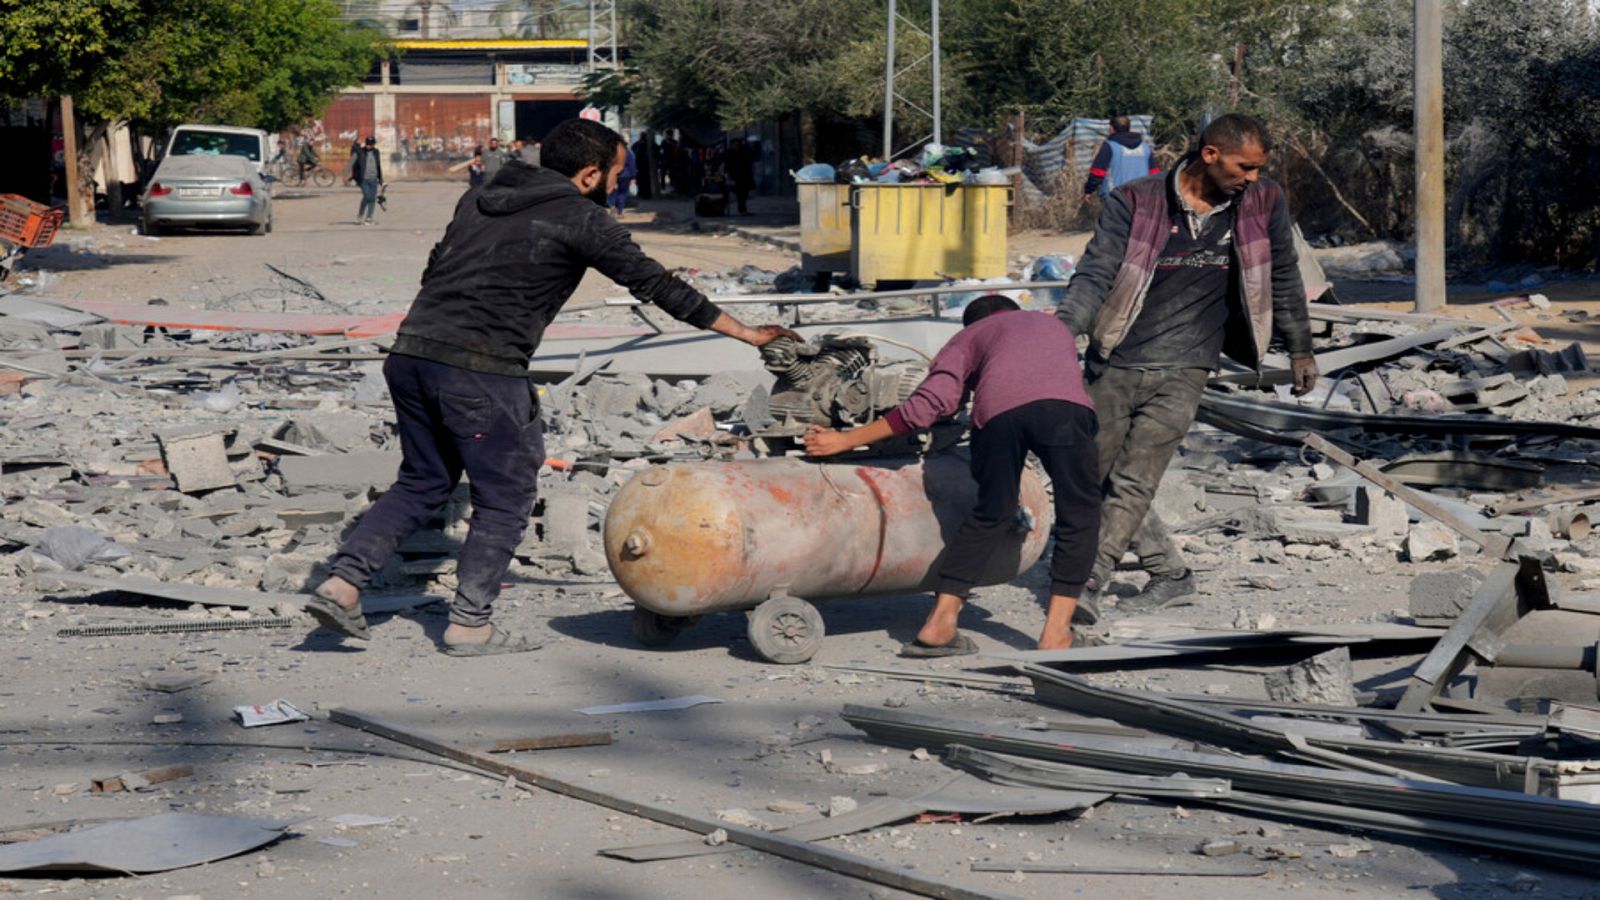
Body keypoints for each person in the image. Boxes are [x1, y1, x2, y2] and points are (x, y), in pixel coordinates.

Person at [307, 118, 801, 656]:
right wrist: (747, 332)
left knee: (423, 480)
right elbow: (656, 284)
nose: (619, 182)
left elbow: (436, 270)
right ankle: (470, 626)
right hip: (483, 369)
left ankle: (342, 582)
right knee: (506, 496)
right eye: (616, 173)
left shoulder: (479, 199)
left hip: (411, 355)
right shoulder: (582, 218)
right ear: (589, 174)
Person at [1056, 113, 1317, 624]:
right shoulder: (1135, 201)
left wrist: (1300, 347)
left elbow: (1284, 272)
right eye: (1246, 167)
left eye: (1260, 169)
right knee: (1093, 473)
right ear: (1211, 155)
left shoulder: (1263, 202)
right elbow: (1096, 271)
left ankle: (1088, 581)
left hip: (1190, 362)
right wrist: (1062, 331)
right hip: (1118, 354)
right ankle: (1170, 574)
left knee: (1135, 478)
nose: (1253, 178)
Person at [803, 295, 1100, 654]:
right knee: (1079, 514)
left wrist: (845, 440)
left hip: (996, 418)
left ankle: (940, 623)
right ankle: (1056, 634)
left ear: (971, 323)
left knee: (992, 512)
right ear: (1014, 312)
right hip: (1064, 411)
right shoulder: (1051, 324)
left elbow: (929, 406)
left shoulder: (967, 338)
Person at [1083, 115, 1159, 202]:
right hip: (1141, 197)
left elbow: (1098, 172)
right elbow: (1155, 173)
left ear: (1111, 128)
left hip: (1115, 198)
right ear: (1129, 128)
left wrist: (1089, 190)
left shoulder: (1109, 146)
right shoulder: (1145, 147)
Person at [348, 135, 383, 225]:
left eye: (371, 144)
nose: (369, 146)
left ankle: (369, 218)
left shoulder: (376, 152)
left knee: (372, 198)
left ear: (374, 144)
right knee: (367, 196)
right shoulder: (360, 152)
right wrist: (349, 176)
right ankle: (360, 215)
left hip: (374, 178)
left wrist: (380, 178)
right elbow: (352, 159)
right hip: (363, 179)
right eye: (368, 144)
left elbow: (378, 165)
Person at [726, 137, 754, 215]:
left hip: (743, 177)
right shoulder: (730, 153)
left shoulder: (743, 152)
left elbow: (747, 164)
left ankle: (742, 209)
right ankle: (742, 209)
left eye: (737, 145)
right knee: (740, 194)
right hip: (735, 176)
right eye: (734, 145)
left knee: (743, 194)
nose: (736, 146)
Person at [608, 146, 635, 216]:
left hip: (613, 174)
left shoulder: (611, 152)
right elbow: (632, 165)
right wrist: (633, 177)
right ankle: (620, 210)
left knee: (613, 192)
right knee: (622, 193)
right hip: (626, 175)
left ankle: (612, 206)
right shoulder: (628, 152)